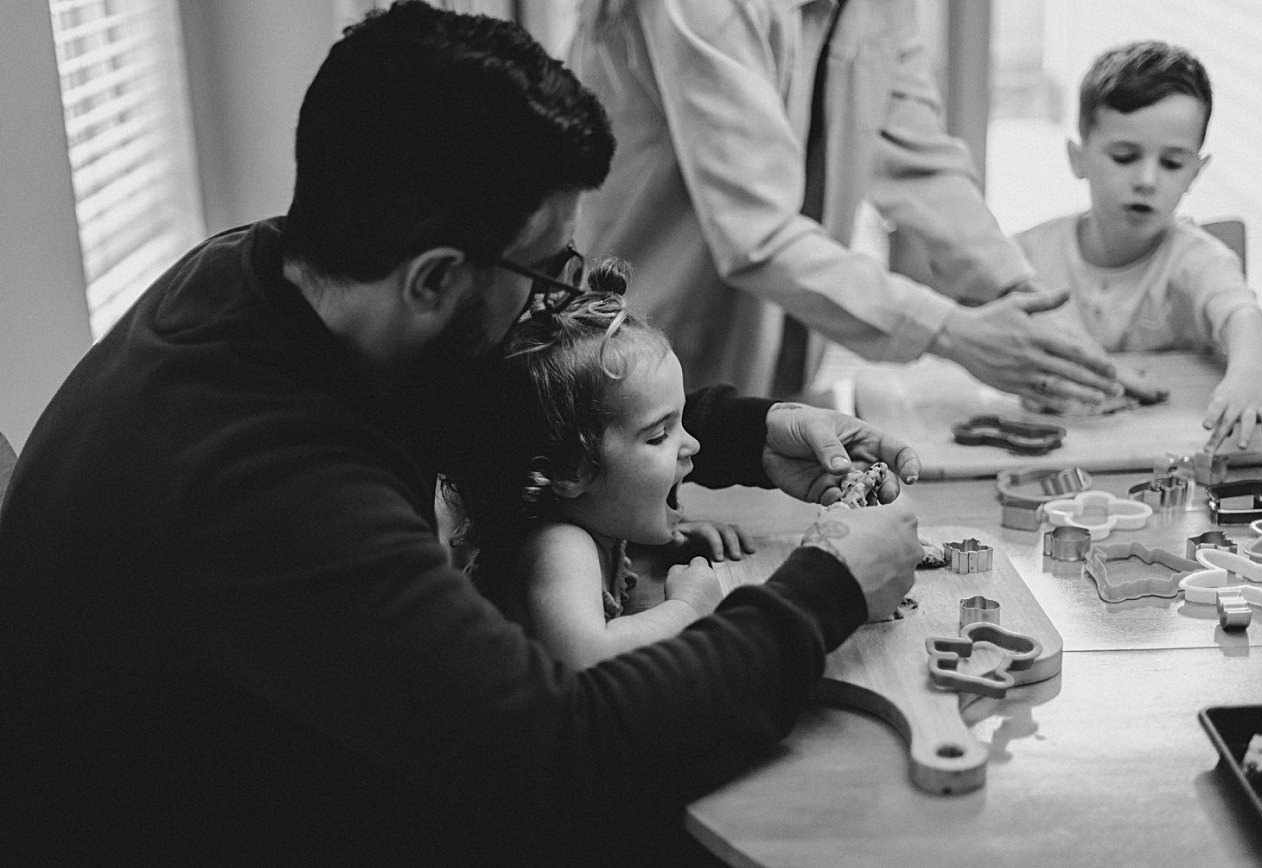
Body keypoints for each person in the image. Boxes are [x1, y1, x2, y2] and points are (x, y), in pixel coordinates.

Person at [0, 3, 924, 865]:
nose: (557, 300)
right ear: (436, 279)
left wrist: (745, 434)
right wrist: (825, 590)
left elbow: (504, 393)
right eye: (547, 272)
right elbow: (571, 759)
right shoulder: (268, 482)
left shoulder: (279, 276)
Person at [567, 0, 1122, 411]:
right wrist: (952, 331)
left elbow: (920, 162)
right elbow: (756, 234)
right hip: (643, 347)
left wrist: (1026, 304)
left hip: (774, 361)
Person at [444, 261, 754, 668]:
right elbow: (589, 656)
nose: (691, 444)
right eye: (659, 435)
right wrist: (689, 607)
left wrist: (670, 535)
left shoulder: (591, 519)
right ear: (572, 471)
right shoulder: (559, 546)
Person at [1014, 40, 1262, 452]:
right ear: (1077, 158)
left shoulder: (1197, 259)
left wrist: (1247, 378)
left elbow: (1246, 318)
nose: (1147, 180)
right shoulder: (1026, 256)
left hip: (1168, 457)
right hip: (1052, 452)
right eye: (1124, 156)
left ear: (1196, 172)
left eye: (1172, 163)